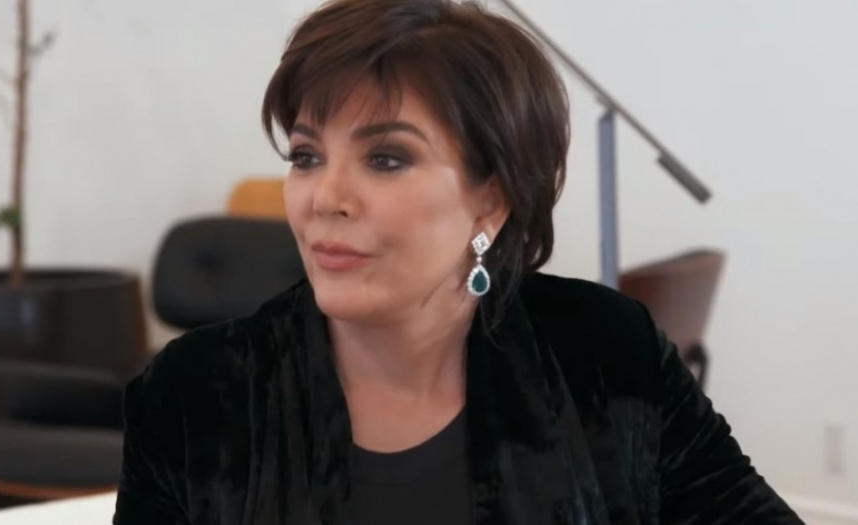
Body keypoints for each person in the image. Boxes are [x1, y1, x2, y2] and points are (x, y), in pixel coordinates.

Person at [114, 0, 803, 523]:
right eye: (306, 155)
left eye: (386, 158)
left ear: (491, 200)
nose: (325, 197)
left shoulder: (606, 354)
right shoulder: (194, 394)